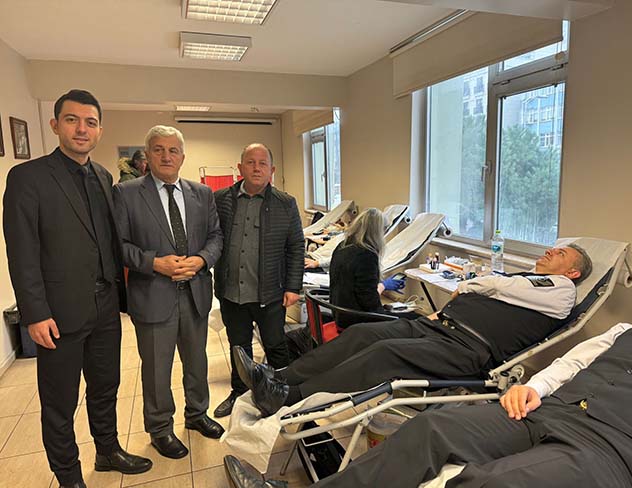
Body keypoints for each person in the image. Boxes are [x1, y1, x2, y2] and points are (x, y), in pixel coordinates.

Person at [224, 320, 632, 487]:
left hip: (614, 447)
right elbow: (577, 359)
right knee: (432, 429)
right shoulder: (630, 329)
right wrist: (536, 386)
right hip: (546, 409)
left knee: (491, 483)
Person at [235, 244, 592, 417]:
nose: (550, 251)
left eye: (560, 253)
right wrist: (452, 305)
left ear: (572, 272)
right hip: (438, 327)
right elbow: (498, 289)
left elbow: (498, 287)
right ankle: (278, 377)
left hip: (467, 350)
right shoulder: (528, 280)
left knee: (384, 354)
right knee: (361, 334)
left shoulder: (562, 290)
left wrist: (472, 285)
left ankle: (288, 397)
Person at [3, 89, 152, 488]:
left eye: (90, 122)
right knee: (60, 403)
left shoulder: (103, 176)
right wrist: (35, 313)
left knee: (106, 387)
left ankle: (107, 451)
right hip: (58, 313)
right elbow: (21, 251)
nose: (82, 129)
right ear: (55, 125)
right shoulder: (28, 178)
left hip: (105, 307)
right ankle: (69, 477)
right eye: (72, 120)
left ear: (100, 130)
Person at [113, 125, 224, 459]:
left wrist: (201, 260)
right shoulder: (126, 194)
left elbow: (216, 237)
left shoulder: (202, 194)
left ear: (182, 157)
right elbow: (117, 245)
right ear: (147, 156)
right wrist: (154, 263)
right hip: (153, 294)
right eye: (158, 150)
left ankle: (197, 414)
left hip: (195, 293)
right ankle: (160, 428)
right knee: (157, 369)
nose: (166, 156)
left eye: (173, 150)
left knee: (197, 361)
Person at [212, 143, 304, 418]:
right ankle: (239, 393)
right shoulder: (221, 200)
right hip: (232, 293)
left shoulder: (285, 203)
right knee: (239, 348)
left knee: (275, 345)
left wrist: (293, 286)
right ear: (240, 168)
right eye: (250, 162)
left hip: (271, 293)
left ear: (272, 170)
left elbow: (296, 246)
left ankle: (281, 394)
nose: (256, 168)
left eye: (262, 163)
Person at [328, 207, 410, 328]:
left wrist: (382, 286)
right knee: (415, 320)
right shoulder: (367, 255)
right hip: (356, 322)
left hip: (340, 315)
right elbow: (369, 302)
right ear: (377, 232)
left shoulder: (342, 246)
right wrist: (383, 286)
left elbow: (359, 290)